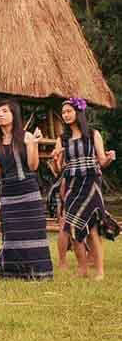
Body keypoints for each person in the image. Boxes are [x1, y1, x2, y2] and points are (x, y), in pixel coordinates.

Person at [0, 99, 52, 280]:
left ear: (14, 114)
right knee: (12, 234)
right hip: (8, 191)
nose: (0, 115)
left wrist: (34, 145)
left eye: (4, 111)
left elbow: (33, 166)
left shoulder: (27, 136)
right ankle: (13, 274)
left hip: (28, 189)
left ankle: (39, 273)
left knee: (33, 232)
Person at [51, 97, 116, 279]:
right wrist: (56, 161)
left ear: (78, 113)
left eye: (69, 111)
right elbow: (59, 170)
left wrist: (110, 158)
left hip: (91, 184)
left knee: (92, 229)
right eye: (63, 112)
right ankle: (82, 269)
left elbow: (102, 162)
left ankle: (100, 271)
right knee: (72, 227)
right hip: (72, 185)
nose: (66, 115)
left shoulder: (93, 135)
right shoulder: (62, 140)